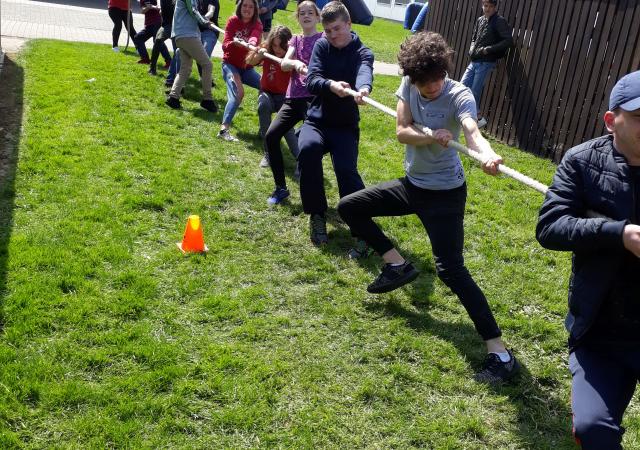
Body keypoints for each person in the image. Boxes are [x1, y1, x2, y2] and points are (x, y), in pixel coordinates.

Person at [337, 31, 520, 384]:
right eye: (424, 84)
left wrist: (485, 154)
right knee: (350, 207)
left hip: (445, 195)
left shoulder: (459, 94)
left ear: (444, 71)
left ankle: (499, 352)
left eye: (436, 80)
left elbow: (470, 130)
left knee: (451, 271)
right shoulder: (409, 85)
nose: (432, 88)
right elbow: (402, 130)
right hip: (412, 186)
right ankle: (397, 264)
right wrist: (430, 135)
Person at [536, 70, 640, 449]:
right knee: (594, 429)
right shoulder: (581, 161)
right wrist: (619, 234)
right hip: (601, 329)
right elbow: (550, 226)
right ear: (612, 121)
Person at [297, 1, 373, 245]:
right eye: (328, 30)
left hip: (345, 126)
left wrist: (363, 88)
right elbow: (312, 80)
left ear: (349, 24)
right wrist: (330, 85)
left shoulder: (363, 51)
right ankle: (317, 213)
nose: (332, 35)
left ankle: (360, 222)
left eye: (337, 29)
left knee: (346, 170)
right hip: (317, 121)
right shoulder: (321, 45)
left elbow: (364, 70)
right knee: (307, 150)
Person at [264, 0, 322, 205]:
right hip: (292, 98)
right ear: (297, 18)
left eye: (310, 12)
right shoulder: (295, 40)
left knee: (310, 147)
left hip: (313, 100)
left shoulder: (323, 39)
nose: (306, 15)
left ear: (317, 17)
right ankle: (281, 188)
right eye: (302, 13)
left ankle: (313, 196)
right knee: (271, 137)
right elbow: (285, 64)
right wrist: (296, 62)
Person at [244, 26, 298, 172]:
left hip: (284, 96)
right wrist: (260, 54)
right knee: (263, 106)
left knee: (287, 128)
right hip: (266, 91)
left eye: (281, 46)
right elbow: (249, 61)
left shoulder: (292, 55)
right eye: (274, 45)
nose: (278, 49)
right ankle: (269, 153)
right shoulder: (267, 48)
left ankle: (301, 160)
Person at [460, 0, 512, 128]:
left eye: (489, 6)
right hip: (474, 60)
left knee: (474, 92)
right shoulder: (480, 20)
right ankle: (477, 117)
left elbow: (508, 41)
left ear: (494, 7)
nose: (486, 8)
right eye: (485, 5)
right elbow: (474, 37)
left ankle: (476, 119)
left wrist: (487, 49)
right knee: (461, 87)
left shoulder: (499, 21)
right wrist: (471, 47)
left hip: (486, 62)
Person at [218, 0, 263, 142]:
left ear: (255, 9)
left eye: (251, 6)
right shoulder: (232, 21)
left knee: (266, 86)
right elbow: (225, 45)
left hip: (247, 69)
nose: (247, 9)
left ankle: (264, 129)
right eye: (245, 5)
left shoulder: (257, 24)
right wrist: (234, 43)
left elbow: (255, 36)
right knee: (238, 93)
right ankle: (223, 130)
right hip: (230, 65)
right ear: (240, 6)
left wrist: (252, 43)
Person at [165, 0, 218, 112]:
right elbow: (193, 11)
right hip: (187, 35)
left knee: (185, 68)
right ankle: (207, 99)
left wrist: (206, 17)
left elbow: (193, 12)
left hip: (181, 35)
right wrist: (205, 21)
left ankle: (173, 97)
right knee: (207, 65)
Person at [133, 0, 171, 65]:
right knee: (138, 38)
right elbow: (142, 11)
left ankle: (169, 61)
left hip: (157, 23)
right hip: (148, 25)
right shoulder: (142, 0)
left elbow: (160, 8)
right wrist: (147, 8)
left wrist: (152, 7)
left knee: (157, 41)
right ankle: (145, 59)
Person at [149, 0, 175, 75]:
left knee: (178, 50)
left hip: (176, 26)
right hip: (166, 25)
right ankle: (152, 68)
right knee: (157, 41)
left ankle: (175, 73)